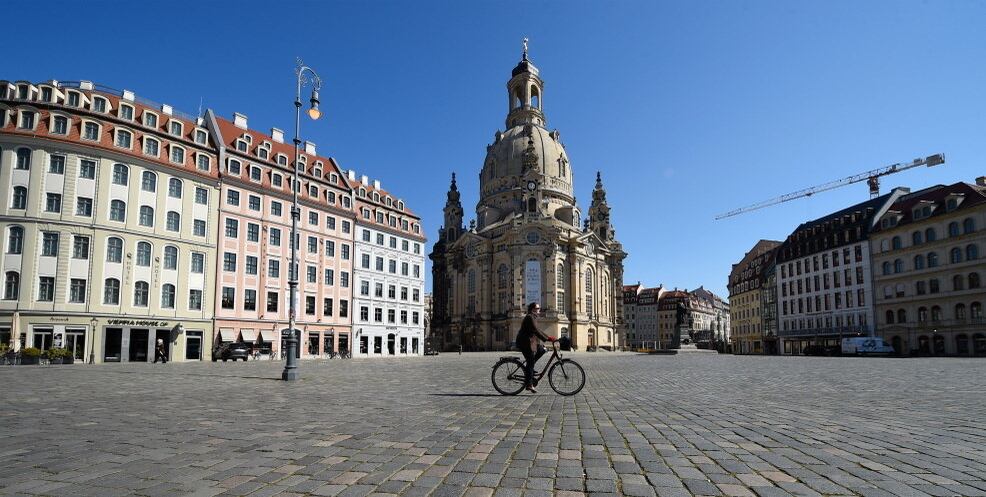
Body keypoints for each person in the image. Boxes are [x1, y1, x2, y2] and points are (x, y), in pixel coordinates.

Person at [516, 302, 555, 393]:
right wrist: (548, 338)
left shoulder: (533, 317)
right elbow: (535, 330)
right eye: (538, 308)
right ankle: (529, 384)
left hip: (530, 342)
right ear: (533, 309)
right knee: (530, 362)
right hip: (525, 342)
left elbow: (538, 330)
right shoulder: (530, 317)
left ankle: (530, 369)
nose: (539, 310)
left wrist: (548, 337)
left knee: (542, 350)